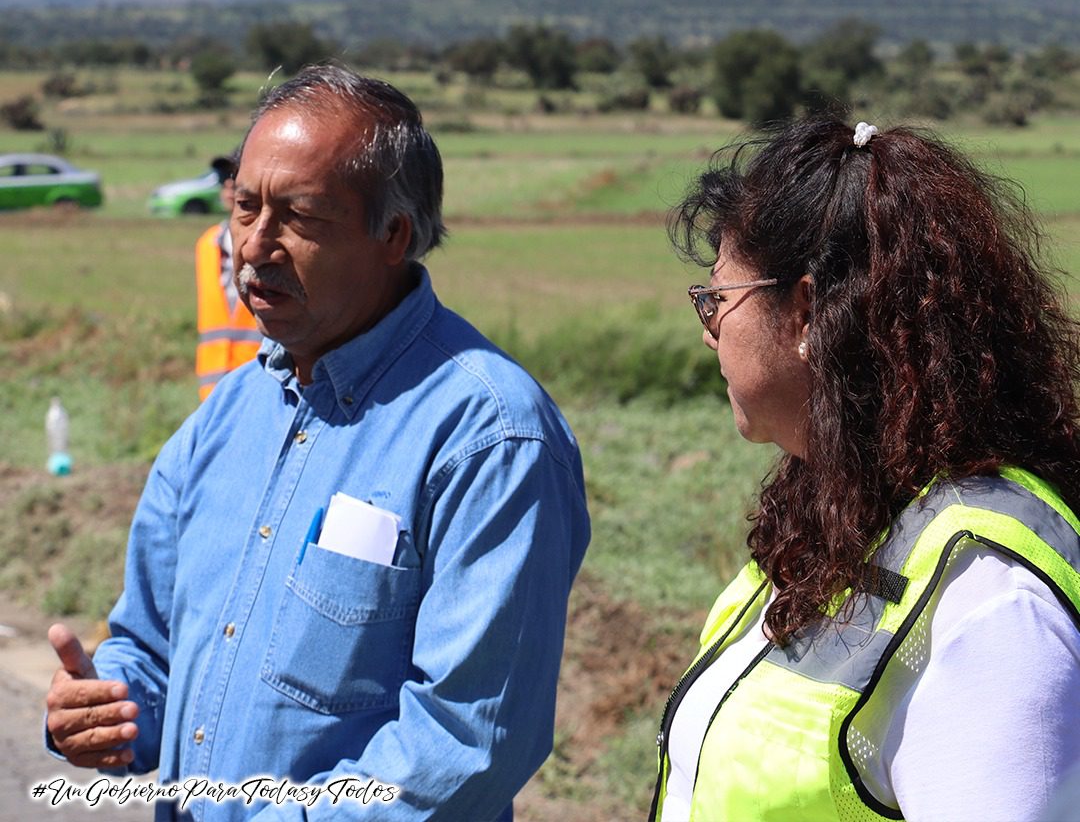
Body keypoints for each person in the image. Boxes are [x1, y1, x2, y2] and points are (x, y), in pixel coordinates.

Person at [45, 65, 591, 820]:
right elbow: (152, 645)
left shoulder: (489, 438)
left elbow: (466, 744)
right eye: (243, 207)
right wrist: (107, 708)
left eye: (300, 217)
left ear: (393, 235)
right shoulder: (225, 417)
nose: (255, 246)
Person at [650, 117, 1080, 822]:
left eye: (717, 300)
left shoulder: (990, 598)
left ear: (809, 310)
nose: (708, 329)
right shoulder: (833, 502)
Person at [194, 153, 262, 401]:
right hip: (214, 387)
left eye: (235, 178)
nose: (228, 186)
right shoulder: (207, 244)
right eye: (224, 179)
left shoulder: (268, 245)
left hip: (262, 382)